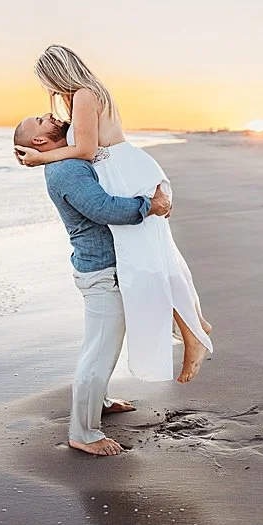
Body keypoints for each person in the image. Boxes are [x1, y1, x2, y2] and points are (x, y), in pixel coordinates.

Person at [14, 45, 212, 383]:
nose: (47, 91)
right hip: (123, 174)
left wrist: (39, 158)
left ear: (58, 72)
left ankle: (193, 335)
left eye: (47, 81)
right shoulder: (79, 98)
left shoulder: (85, 95)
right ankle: (193, 327)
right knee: (154, 260)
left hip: (127, 176)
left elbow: (87, 150)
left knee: (151, 262)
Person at [14, 111, 172, 455]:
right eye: (40, 121)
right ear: (40, 141)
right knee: (98, 352)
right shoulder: (65, 169)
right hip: (101, 272)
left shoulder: (66, 159)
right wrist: (151, 205)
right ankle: (83, 432)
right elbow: (103, 209)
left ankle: (99, 400)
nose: (48, 115)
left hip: (102, 267)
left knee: (103, 346)